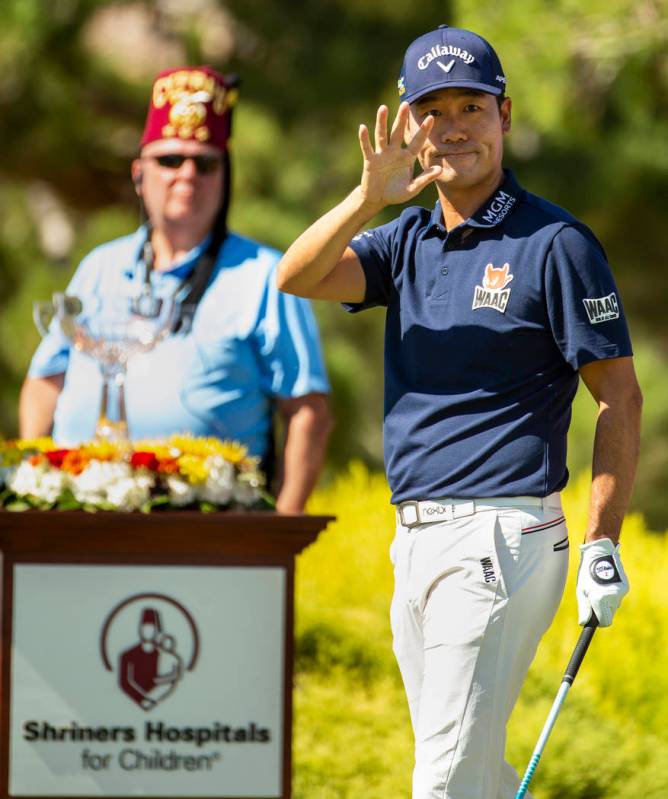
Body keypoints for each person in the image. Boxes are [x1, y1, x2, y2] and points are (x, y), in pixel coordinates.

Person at [277, 24, 642, 799]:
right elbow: (298, 275)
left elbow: (619, 395)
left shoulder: (556, 243)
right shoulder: (403, 236)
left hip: (503, 536)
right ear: (410, 127)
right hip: (415, 540)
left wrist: (603, 539)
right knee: (472, 772)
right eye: (432, 110)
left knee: (440, 779)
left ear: (505, 115)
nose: (453, 127)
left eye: (470, 105)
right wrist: (366, 197)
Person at [19, 66, 332, 513]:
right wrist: (32, 483)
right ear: (138, 173)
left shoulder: (267, 275)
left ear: (226, 176)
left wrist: (281, 530)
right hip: (77, 514)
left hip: (212, 524)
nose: (186, 175)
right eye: (169, 160)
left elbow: (307, 412)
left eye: (205, 162)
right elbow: (45, 378)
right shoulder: (98, 267)